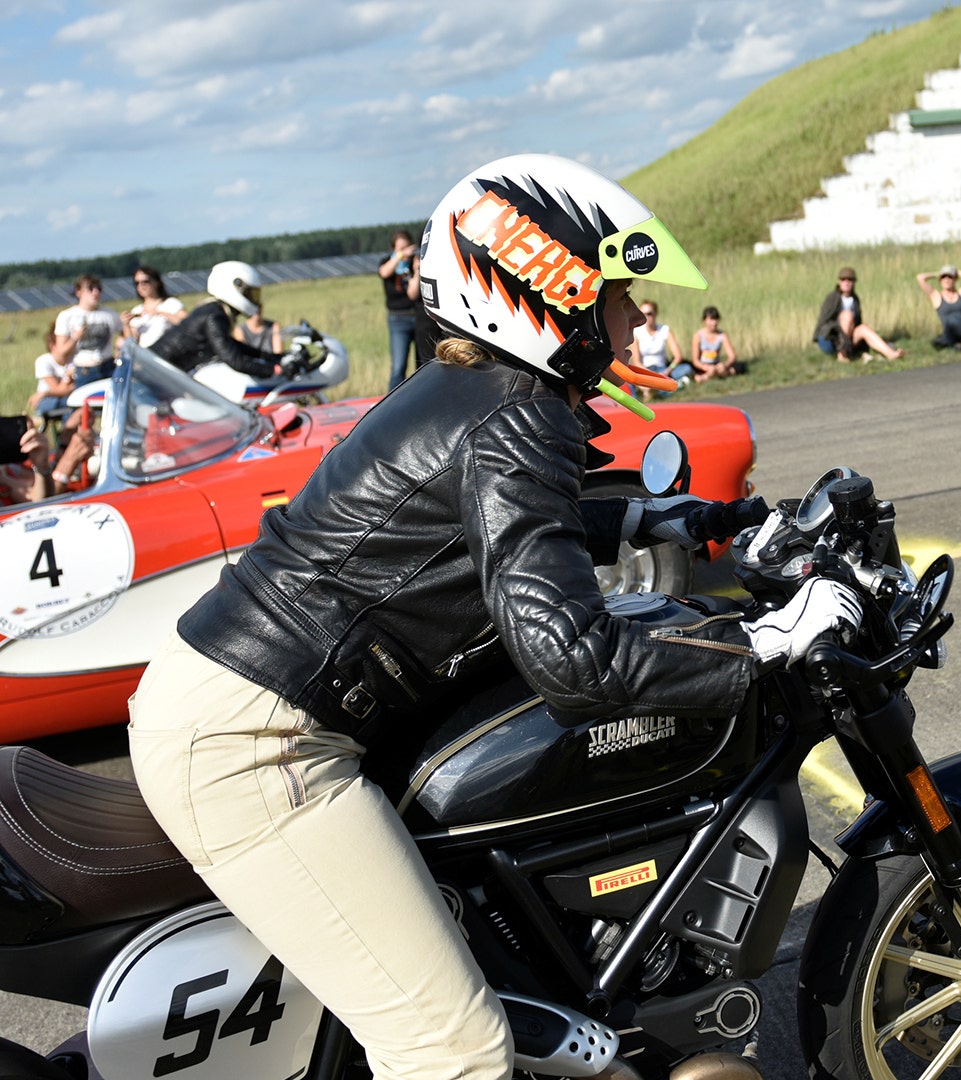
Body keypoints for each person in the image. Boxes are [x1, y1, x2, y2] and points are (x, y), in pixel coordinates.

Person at [126, 154, 861, 1080]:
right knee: (451, 1051)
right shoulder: (511, 415)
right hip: (258, 745)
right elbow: (574, 660)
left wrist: (647, 514)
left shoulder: (479, 396)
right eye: (618, 292)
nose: (638, 315)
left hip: (244, 700)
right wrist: (762, 646)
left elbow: (489, 532)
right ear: (545, 289)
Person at [148, 260, 318, 380]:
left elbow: (232, 345)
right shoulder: (215, 316)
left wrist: (272, 357)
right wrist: (276, 369)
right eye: (250, 293)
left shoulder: (214, 311)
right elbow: (234, 359)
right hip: (153, 375)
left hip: (159, 372)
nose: (255, 299)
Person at [815, 267, 903, 362]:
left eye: (850, 280)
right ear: (839, 282)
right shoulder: (832, 298)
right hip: (831, 338)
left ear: (854, 282)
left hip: (848, 338)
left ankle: (890, 354)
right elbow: (824, 322)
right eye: (843, 279)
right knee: (847, 315)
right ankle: (842, 355)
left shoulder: (855, 299)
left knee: (863, 328)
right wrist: (841, 326)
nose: (846, 282)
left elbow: (858, 322)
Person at [54, 275, 120, 386]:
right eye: (90, 288)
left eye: (99, 288)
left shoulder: (110, 314)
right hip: (84, 370)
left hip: (108, 366)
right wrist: (75, 337)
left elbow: (126, 336)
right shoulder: (67, 316)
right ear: (78, 292)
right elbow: (60, 353)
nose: (95, 292)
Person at [379, 229, 421, 390]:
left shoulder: (415, 263)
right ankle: (393, 400)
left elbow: (413, 293)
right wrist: (399, 257)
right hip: (398, 319)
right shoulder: (388, 262)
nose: (405, 252)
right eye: (400, 248)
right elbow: (384, 272)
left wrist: (416, 269)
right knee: (398, 366)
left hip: (417, 316)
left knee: (422, 364)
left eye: (407, 247)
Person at [628, 298, 692, 397]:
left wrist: (668, 370)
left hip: (663, 369)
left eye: (649, 314)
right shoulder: (637, 332)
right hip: (646, 370)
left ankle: (653, 389)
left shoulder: (664, 330)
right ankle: (669, 387)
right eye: (643, 313)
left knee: (686, 368)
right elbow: (637, 361)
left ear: (656, 314)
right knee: (627, 378)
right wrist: (650, 374)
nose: (646, 317)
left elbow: (678, 356)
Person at [122, 266, 187, 348]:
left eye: (145, 281)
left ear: (156, 282)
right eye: (137, 283)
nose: (141, 286)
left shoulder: (171, 303)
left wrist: (161, 313)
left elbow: (186, 322)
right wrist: (126, 324)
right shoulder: (137, 310)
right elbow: (131, 343)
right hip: (146, 355)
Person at [26, 324, 75, 417]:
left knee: (72, 406)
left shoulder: (75, 360)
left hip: (52, 396)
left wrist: (44, 393)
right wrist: (67, 378)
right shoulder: (44, 361)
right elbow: (57, 389)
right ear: (52, 345)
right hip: (50, 400)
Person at [689, 305, 741, 381]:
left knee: (740, 366)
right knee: (688, 368)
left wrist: (724, 365)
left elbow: (732, 356)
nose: (714, 323)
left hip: (716, 364)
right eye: (711, 320)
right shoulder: (698, 336)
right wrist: (706, 367)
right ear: (704, 321)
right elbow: (695, 361)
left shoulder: (722, 335)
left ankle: (709, 376)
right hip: (702, 365)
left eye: (716, 319)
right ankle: (709, 375)